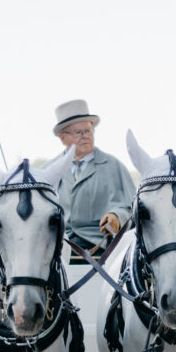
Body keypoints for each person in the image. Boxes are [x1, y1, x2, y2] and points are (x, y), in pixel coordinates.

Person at [52, 99, 135, 251]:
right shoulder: (50, 171)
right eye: (79, 132)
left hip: (104, 250)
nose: (86, 136)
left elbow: (132, 208)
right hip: (58, 249)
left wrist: (116, 216)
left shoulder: (114, 166)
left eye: (88, 131)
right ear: (62, 137)